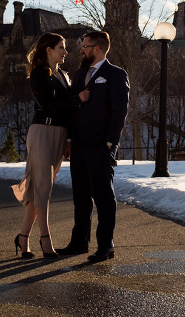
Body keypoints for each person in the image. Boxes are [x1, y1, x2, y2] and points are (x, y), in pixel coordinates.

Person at [12, 32, 88, 259]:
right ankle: (46, 240)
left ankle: (23, 238)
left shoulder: (64, 75)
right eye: (61, 48)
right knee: (43, 187)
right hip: (42, 132)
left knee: (39, 187)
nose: (66, 52)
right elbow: (46, 104)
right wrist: (77, 99)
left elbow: (69, 112)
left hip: (59, 134)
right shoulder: (38, 74)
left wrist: (68, 140)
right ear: (49, 50)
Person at [57, 31, 129, 262]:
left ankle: (106, 246)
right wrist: (69, 140)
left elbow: (120, 113)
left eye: (85, 46)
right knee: (80, 196)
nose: (81, 50)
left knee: (103, 197)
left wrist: (110, 143)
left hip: (101, 146)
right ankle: (79, 243)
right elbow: (71, 110)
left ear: (97, 49)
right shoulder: (79, 75)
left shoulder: (115, 75)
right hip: (78, 146)